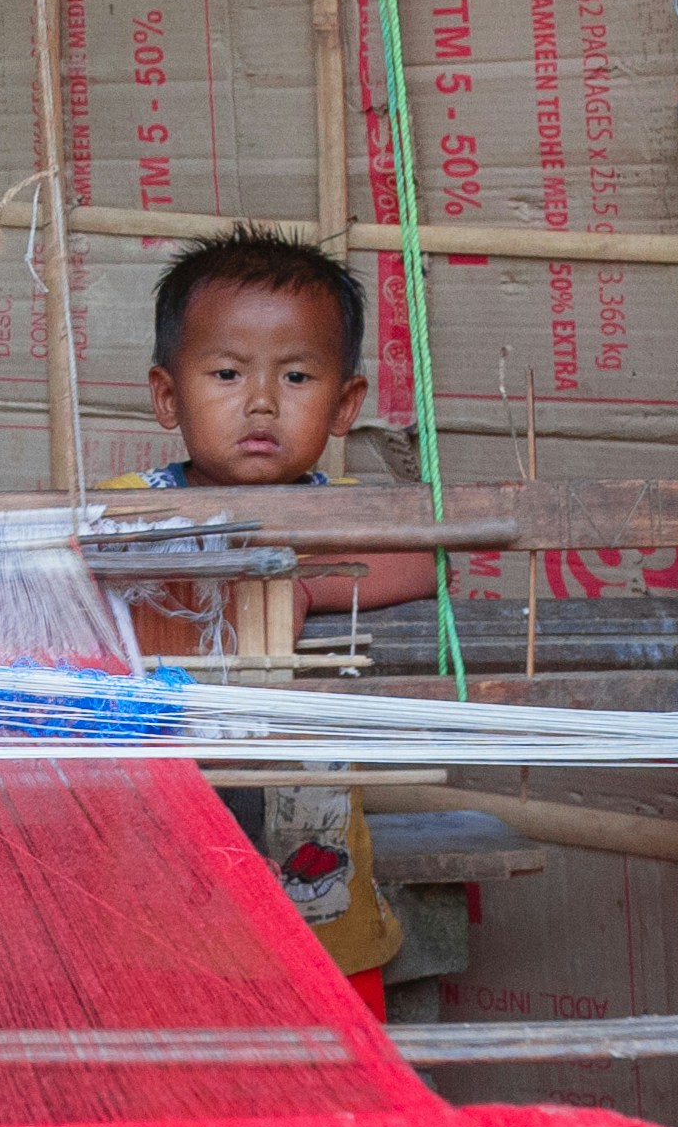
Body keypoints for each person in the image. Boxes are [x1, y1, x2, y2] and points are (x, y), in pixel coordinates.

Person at [114, 230, 439, 1012]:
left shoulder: (346, 513)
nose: (260, 401)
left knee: (334, 1095)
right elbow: (97, 566)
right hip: (156, 901)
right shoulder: (128, 503)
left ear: (343, 403)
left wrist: (297, 576)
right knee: (173, 1097)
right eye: (226, 373)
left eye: (296, 375)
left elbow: (427, 558)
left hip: (315, 903)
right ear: (168, 395)